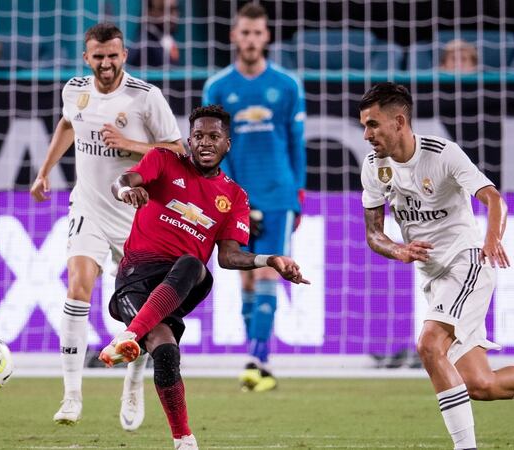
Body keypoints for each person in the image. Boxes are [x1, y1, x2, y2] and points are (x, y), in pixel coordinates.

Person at [359, 82, 514, 449]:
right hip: (434, 279)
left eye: (372, 124)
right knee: (481, 384)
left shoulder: (443, 154)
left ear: (399, 121)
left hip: (468, 264)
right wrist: (398, 250)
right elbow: (373, 234)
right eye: (364, 126)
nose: (366, 135)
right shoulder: (374, 167)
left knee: (429, 346)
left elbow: (493, 199)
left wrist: (492, 239)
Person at [97, 104, 309, 450]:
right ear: (189, 140)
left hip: (181, 282)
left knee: (196, 266)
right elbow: (123, 180)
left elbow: (228, 256)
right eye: (198, 136)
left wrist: (270, 259)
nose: (205, 143)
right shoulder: (163, 161)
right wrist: (125, 192)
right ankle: (185, 440)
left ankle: (128, 337)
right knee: (165, 351)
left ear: (228, 143)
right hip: (136, 279)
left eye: (214, 137)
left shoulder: (235, 196)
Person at [30, 22, 184, 430]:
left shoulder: (145, 98)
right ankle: (71, 395)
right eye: (98, 56)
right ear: (87, 58)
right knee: (78, 286)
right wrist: (44, 172)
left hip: (139, 217)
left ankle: (133, 384)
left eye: (112, 56)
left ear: (124, 56)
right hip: (89, 207)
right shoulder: (73, 90)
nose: (105, 63)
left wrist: (130, 144)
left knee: (140, 312)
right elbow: (67, 124)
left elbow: (177, 150)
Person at [201, 2, 306, 393]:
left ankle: (257, 359)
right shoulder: (218, 87)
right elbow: (209, 148)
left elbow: (296, 141)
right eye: (244, 32)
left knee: (268, 270)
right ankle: (258, 357)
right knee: (246, 278)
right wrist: (222, 193)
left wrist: (298, 192)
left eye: (257, 33)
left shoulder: (287, 85)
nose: (250, 39)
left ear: (267, 36)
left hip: (278, 193)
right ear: (234, 36)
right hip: (235, 196)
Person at [126, 0, 180, 67]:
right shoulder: (146, 48)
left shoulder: (165, 40)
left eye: (174, 9)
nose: (173, 15)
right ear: (149, 12)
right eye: (163, 9)